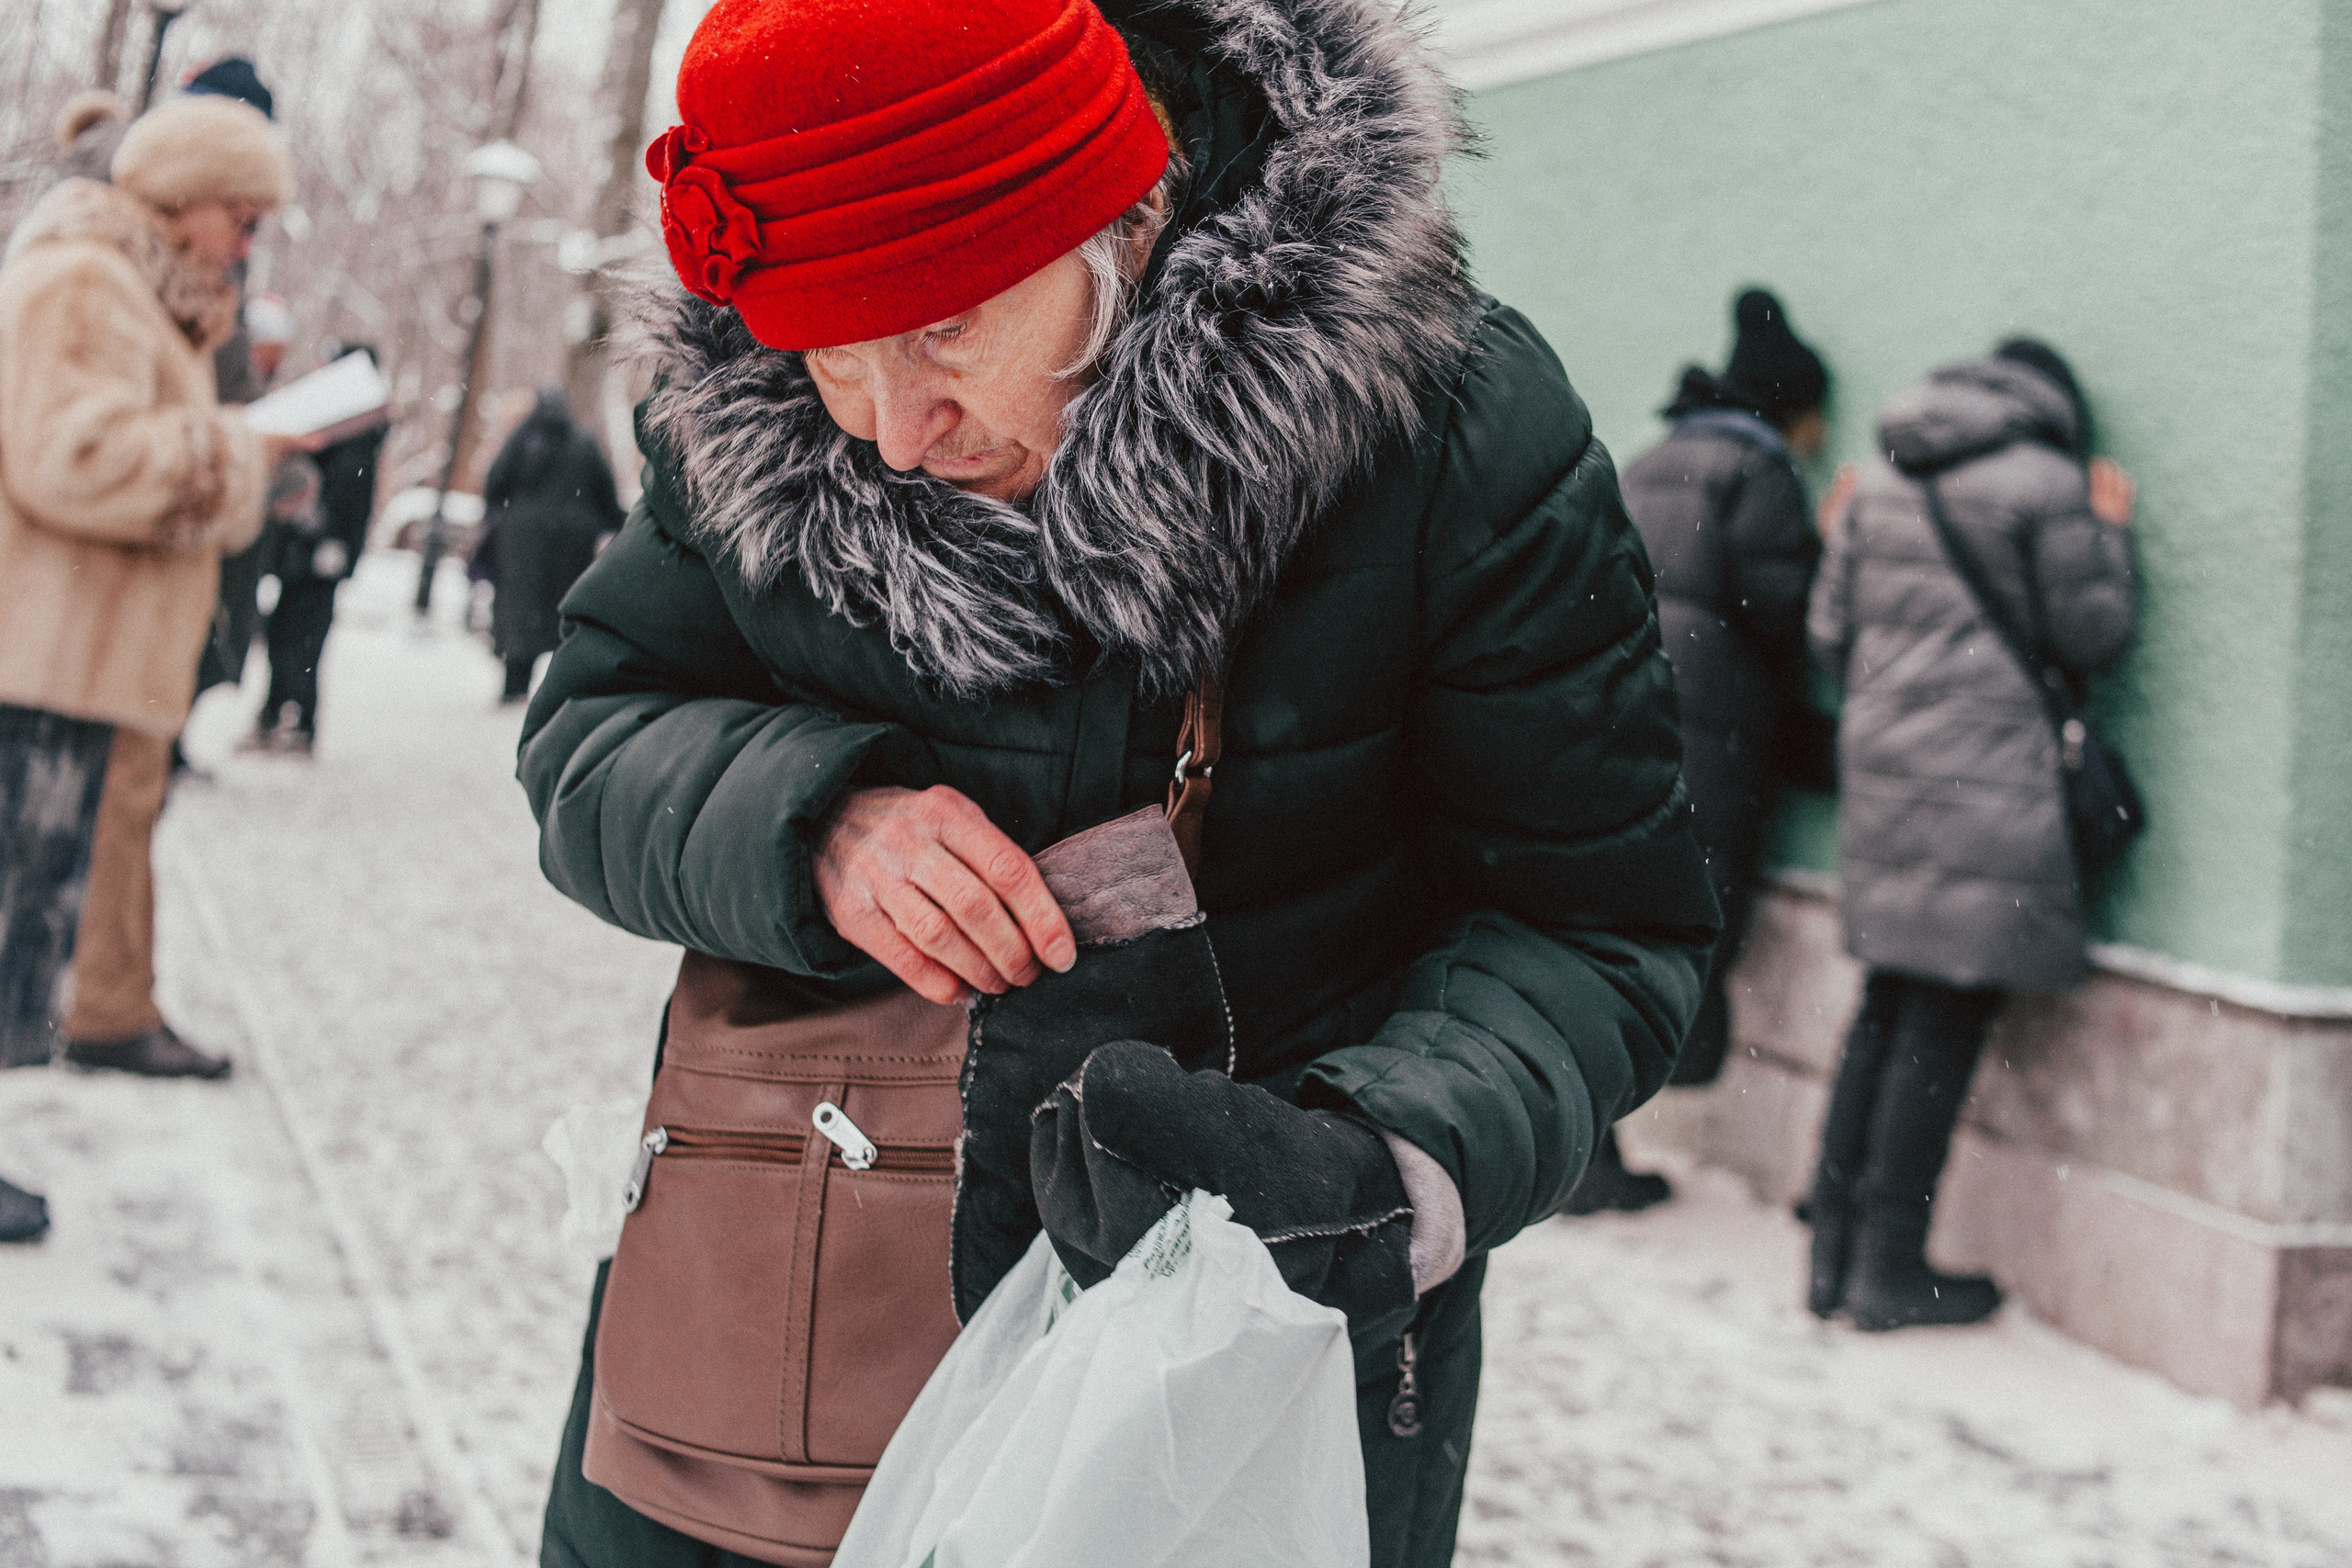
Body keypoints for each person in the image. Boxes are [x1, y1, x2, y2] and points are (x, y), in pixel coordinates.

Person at [517, 1, 1717, 1562]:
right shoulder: (743, 430)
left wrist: (1377, 1165)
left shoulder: (1447, 425)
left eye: (944, 329)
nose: (888, 430)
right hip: (781, 1339)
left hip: (1240, 1378)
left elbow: (1597, 925)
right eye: (829, 351)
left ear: (1121, 214)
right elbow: (590, 735)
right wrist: (817, 823)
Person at [1804, 339, 2137, 1330]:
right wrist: (2109, 534)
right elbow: (2092, 637)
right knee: (1941, 1022)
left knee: (1880, 1012)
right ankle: (1888, 1271)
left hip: (1886, 786)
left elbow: (1829, 636)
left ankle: (1829, 1256)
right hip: (1987, 791)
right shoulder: (2047, 483)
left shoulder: (1880, 482)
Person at [0, 96, 298, 1201]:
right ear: (179, 202)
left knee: (28, 921)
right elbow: (65, 456)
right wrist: (239, 450)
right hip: (33, 662)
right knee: (8, 915)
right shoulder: (82, 279)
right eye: (242, 215)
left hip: (69, 666)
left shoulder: (141, 293)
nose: (248, 241)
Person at [1569, 288, 1832, 1213]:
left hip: (1616, 725)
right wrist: (1826, 555)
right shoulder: (1756, 475)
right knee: (1669, 941)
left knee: (1606, 935)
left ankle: (1584, 1151)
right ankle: (1600, 1154)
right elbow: (1787, 620)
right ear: (1791, 412)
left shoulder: (1653, 459)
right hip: (1703, 744)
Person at [245, 345, 388, 754]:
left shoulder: (354, 432)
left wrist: (325, 532)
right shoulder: (348, 426)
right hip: (311, 549)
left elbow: (348, 495)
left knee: (301, 637)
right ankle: (281, 715)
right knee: (289, 633)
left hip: (319, 550)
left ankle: (295, 720)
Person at [472, 389, 620, 705]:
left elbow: (495, 483)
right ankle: (560, 693)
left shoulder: (522, 439)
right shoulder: (585, 442)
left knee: (518, 610)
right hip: (572, 542)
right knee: (563, 611)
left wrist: (506, 515)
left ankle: (515, 684)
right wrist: (609, 522)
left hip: (521, 541)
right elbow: (606, 492)